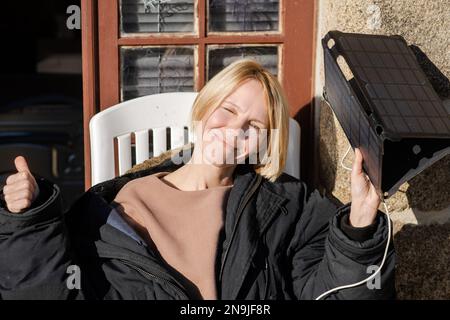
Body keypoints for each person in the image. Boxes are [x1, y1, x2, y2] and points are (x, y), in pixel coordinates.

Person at [0, 59, 395, 300]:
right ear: (205, 109)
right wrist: (29, 221)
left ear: (266, 143)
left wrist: (359, 228)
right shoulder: (109, 206)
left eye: (254, 125)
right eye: (228, 109)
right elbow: (42, 292)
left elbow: (330, 294)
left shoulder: (287, 208)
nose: (234, 129)